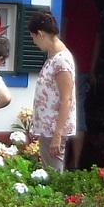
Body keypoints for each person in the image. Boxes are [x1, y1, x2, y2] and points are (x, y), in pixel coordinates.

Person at [29, 10, 76, 172]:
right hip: (47, 129)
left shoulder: (62, 61)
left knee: (53, 175)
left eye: (33, 37)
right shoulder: (52, 56)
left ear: (40, 34)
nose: (34, 42)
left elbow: (66, 99)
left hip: (53, 130)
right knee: (48, 172)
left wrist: (58, 135)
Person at [61, 0, 100, 169]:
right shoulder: (92, 6)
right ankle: (75, 162)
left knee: (63, 110)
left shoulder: (69, 1)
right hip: (83, 67)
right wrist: (92, 69)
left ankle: (61, 161)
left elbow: (63, 30)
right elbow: (98, 39)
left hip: (67, 67)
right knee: (78, 114)